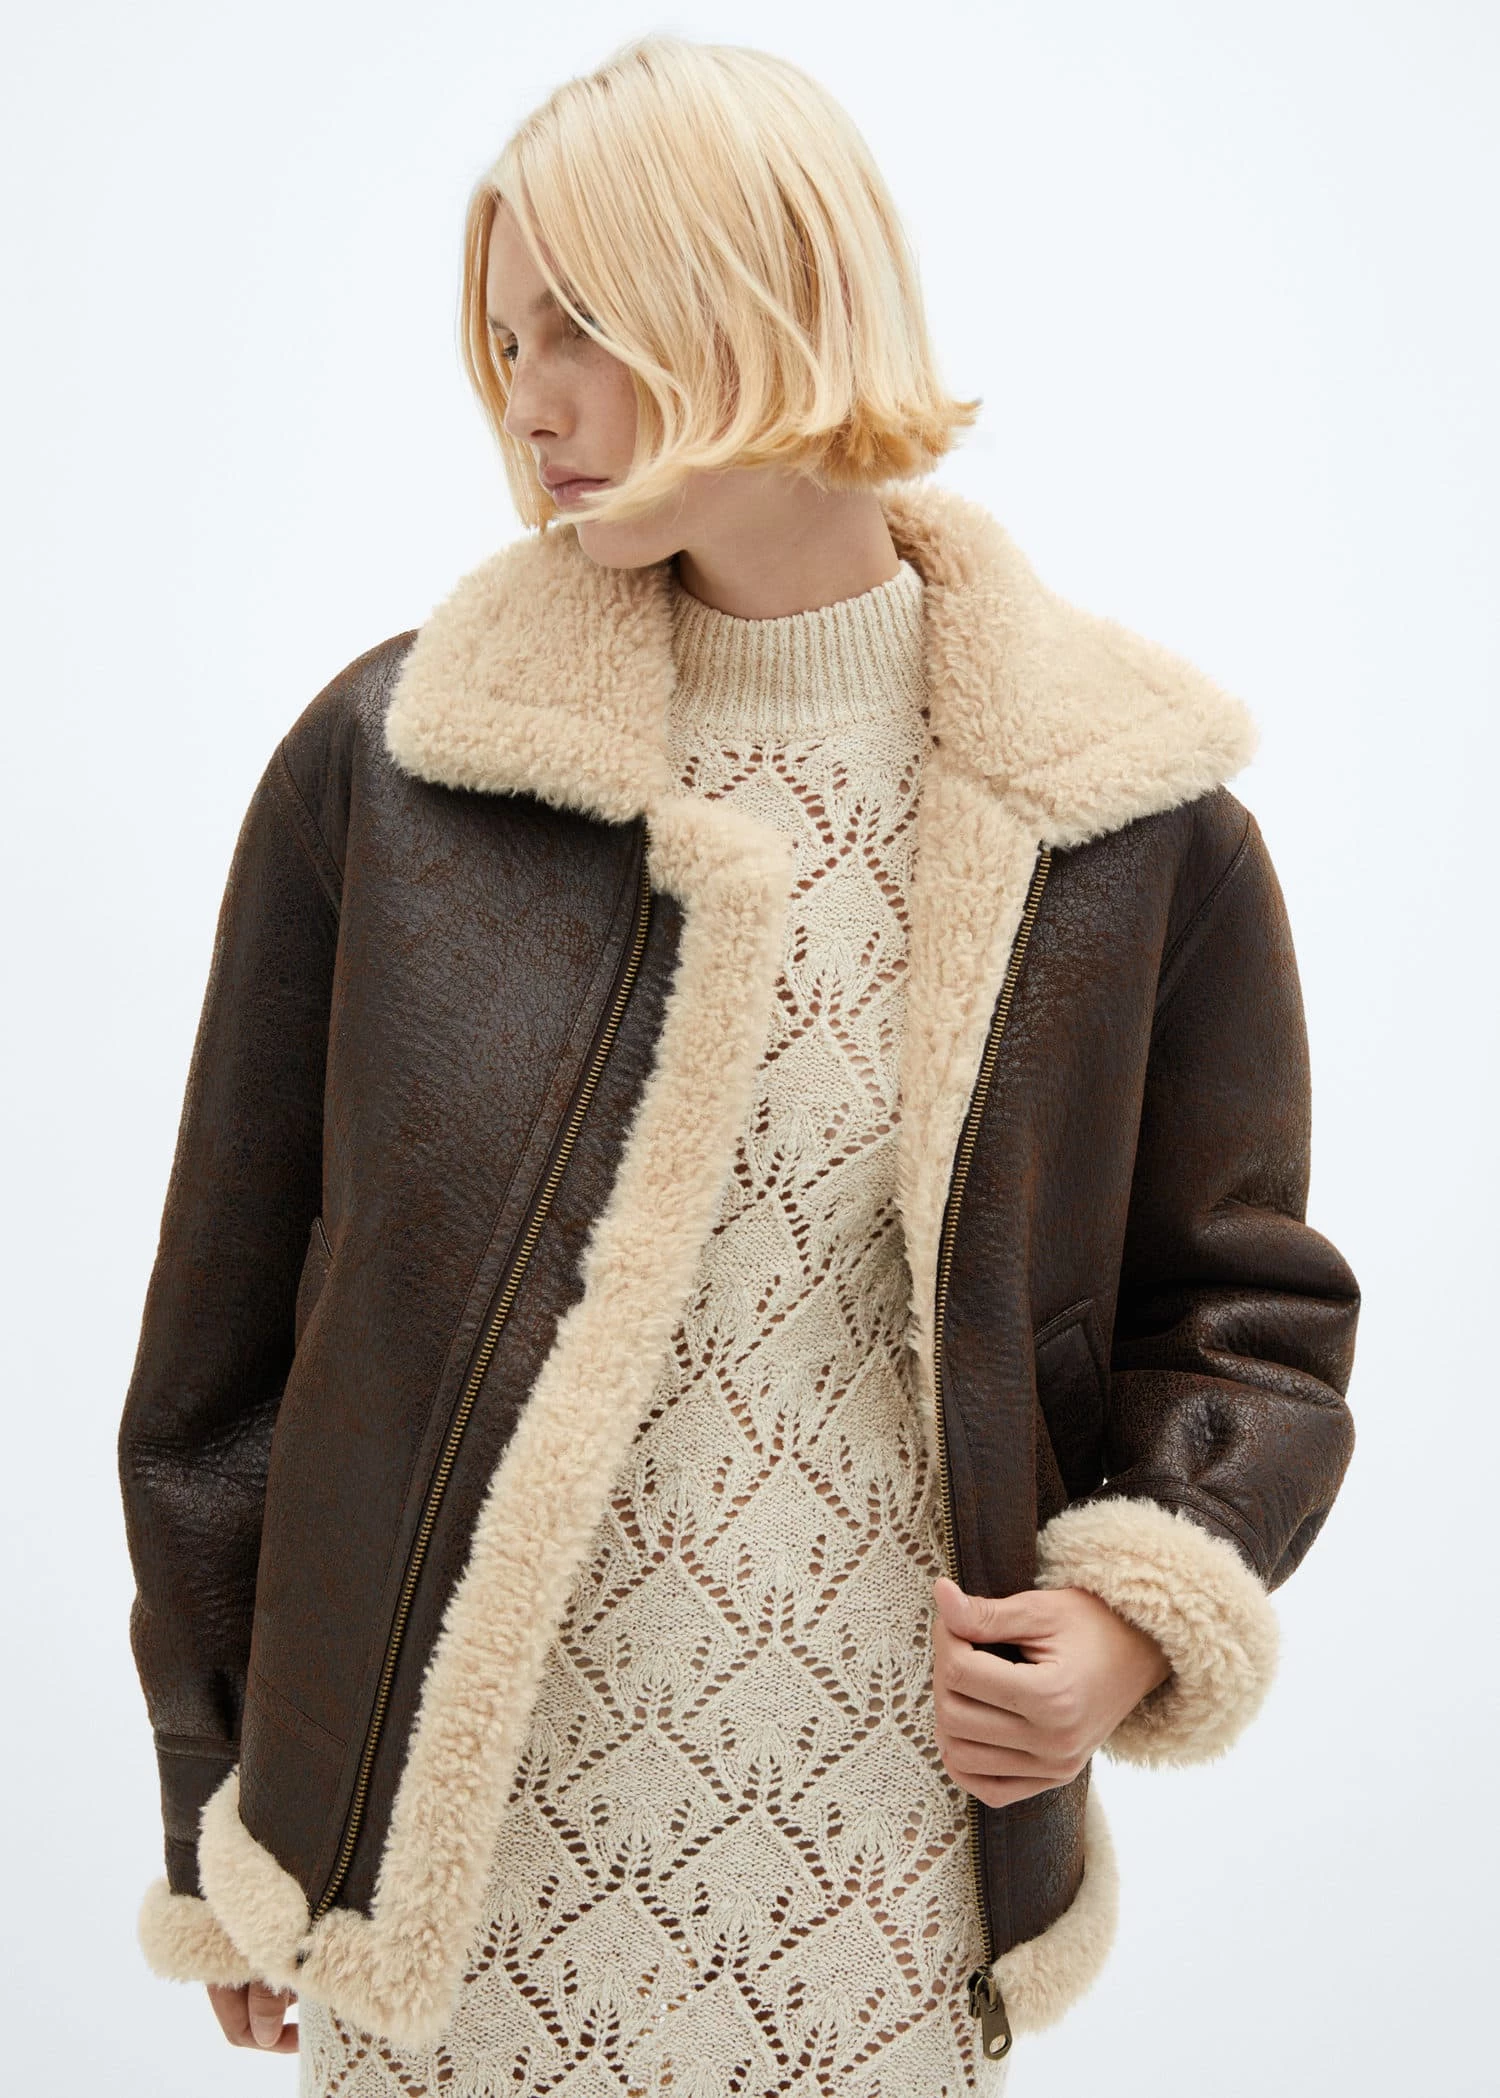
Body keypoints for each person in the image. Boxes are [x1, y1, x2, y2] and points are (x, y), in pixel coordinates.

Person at [118, 32, 1360, 2098]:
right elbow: (220, 1372)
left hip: (883, 1846)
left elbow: (1247, 1317)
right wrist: (224, 1821)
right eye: (503, 341)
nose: (528, 399)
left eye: (580, 326)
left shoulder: (1124, 818)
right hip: (460, 1879)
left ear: (762, 295)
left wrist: (1134, 1615)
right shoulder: (401, 772)